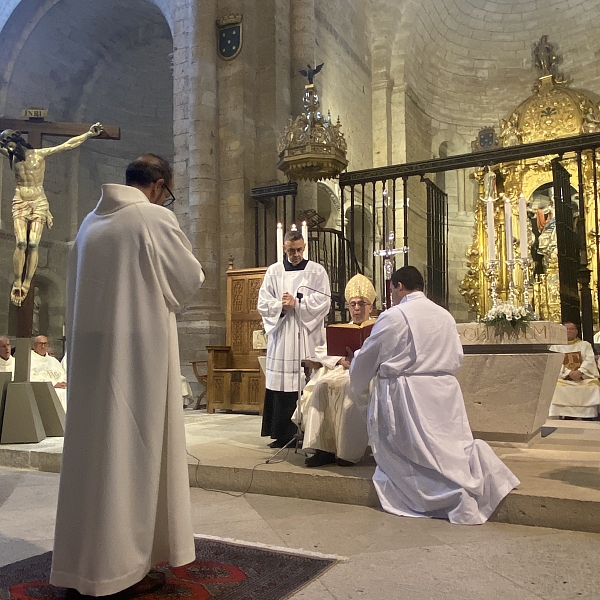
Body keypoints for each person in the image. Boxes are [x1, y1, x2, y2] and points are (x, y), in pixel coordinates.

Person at [50, 154, 205, 598]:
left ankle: (86, 566)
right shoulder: (151, 218)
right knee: (130, 457)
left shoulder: (87, 226)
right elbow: (188, 279)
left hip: (93, 364)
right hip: (137, 360)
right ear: (158, 186)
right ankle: (120, 570)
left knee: (94, 459)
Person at [349, 266, 520, 525]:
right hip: (443, 392)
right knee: (447, 449)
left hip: (409, 394)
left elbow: (372, 354)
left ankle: (445, 493)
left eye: (392, 290)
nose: (392, 296)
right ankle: (467, 480)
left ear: (398, 286)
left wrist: (355, 365)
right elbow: (456, 356)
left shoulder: (394, 316)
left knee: (416, 454)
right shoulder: (444, 315)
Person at [0, 124, 103, 306]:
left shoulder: (39, 154)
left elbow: (66, 145)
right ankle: (17, 280)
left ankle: (26, 282)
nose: (6, 150)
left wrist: (88, 134)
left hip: (38, 201)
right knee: (20, 242)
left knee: (33, 244)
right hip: (20, 200)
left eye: (8, 146)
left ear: (16, 142)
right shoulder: (12, 156)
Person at [258, 230, 331, 448]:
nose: (296, 254)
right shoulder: (274, 271)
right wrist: (281, 306)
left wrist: (298, 304)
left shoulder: (317, 271)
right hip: (282, 336)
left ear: (304, 246)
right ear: (284, 248)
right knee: (281, 385)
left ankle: (306, 432)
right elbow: (263, 302)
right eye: (291, 250)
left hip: (306, 335)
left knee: (304, 383)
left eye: (299, 249)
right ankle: (282, 434)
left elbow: (324, 301)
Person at [295, 274, 375, 467]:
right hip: (341, 370)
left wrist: (360, 360)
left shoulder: (378, 328)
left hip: (365, 375)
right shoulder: (343, 327)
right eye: (353, 304)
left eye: (361, 304)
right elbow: (323, 350)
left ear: (370, 307)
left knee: (349, 390)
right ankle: (323, 449)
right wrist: (340, 359)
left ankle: (347, 453)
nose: (356, 308)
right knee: (322, 385)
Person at [549, 322, 600, 420]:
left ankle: (587, 415)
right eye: (567, 329)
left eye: (572, 329)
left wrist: (580, 372)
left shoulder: (585, 345)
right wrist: (568, 373)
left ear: (576, 331)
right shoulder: (555, 346)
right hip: (563, 378)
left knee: (594, 386)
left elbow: (589, 360)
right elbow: (554, 362)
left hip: (583, 377)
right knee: (556, 387)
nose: (569, 331)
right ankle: (565, 413)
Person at [30, 335, 67, 410]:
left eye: (45, 344)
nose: (43, 347)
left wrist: (63, 383)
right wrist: (53, 384)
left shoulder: (53, 361)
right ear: (34, 345)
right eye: (40, 344)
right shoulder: (29, 359)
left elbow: (63, 374)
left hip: (61, 391)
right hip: (44, 392)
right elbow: (31, 378)